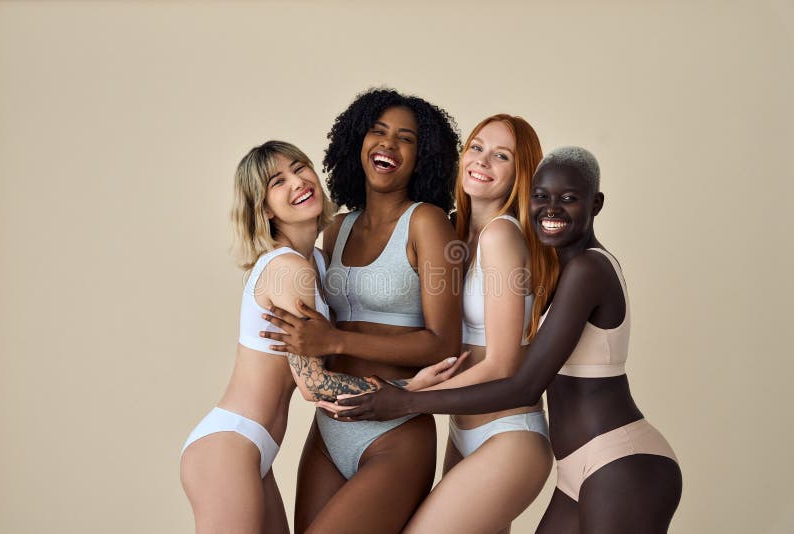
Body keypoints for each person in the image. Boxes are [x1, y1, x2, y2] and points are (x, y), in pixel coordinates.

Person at [323, 146, 683, 534]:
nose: (552, 209)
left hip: (620, 460)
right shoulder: (558, 267)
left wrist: (406, 401)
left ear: (595, 204)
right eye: (541, 198)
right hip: (576, 469)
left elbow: (524, 384)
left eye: (568, 199)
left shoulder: (588, 269)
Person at [179, 140, 461, 534]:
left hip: (252, 449)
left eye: (300, 167)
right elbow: (314, 386)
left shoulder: (316, 259)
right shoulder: (289, 269)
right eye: (278, 181)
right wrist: (410, 388)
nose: (298, 182)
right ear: (264, 209)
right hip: (227, 447)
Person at [258, 88, 464, 533]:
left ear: (423, 156)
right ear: (358, 142)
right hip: (329, 432)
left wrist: (336, 340)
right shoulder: (336, 229)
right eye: (378, 131)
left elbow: (444, 343)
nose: (388, 143)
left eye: (405, 138)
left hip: (394, 432)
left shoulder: (428, 222)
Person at [395, 114, 558, 534]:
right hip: (463, 432)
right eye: (477, 147)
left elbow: (502, 365)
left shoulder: (501, 236)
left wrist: (410, 398)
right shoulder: (458, 232)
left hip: (507, 437)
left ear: (519, 175)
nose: (482, 160)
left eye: (501, 155)